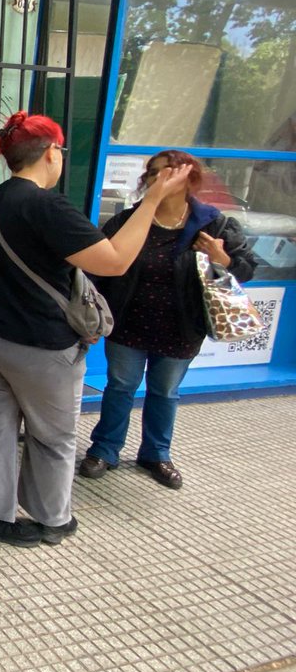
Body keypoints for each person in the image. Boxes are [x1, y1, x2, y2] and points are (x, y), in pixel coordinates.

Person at [0, 111, 191, 548]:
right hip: (37, 344)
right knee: (53, 434)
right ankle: (51, 520)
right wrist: (153, 201)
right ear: (50, 153)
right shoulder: (47, 206)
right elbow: (116, 261)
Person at [79, 150, 257, 490]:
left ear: (187, 179)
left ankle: (156, 454)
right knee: (120, 387)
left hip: (182, 327)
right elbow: (98, 271)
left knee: (165, 391)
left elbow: (246, 268)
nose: (153, 179)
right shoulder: (129, 221)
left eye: (163, 172)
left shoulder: (213, 224)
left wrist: (221, 258)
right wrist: (91, 320)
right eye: (150, 173)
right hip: (128, 323)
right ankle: (105, 449)